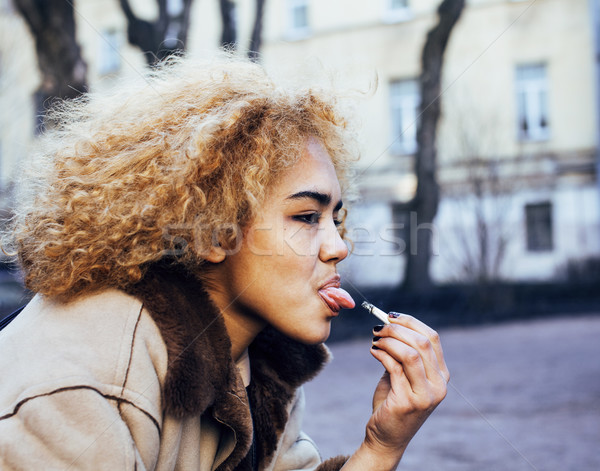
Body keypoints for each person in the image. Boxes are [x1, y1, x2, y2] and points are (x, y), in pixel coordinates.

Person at [0, 55, 449, 470]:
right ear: (213, 230)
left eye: (336, 216)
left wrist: (382, 444)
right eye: (307, 217)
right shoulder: (85, 380)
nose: (340, 247)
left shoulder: (260, 367)